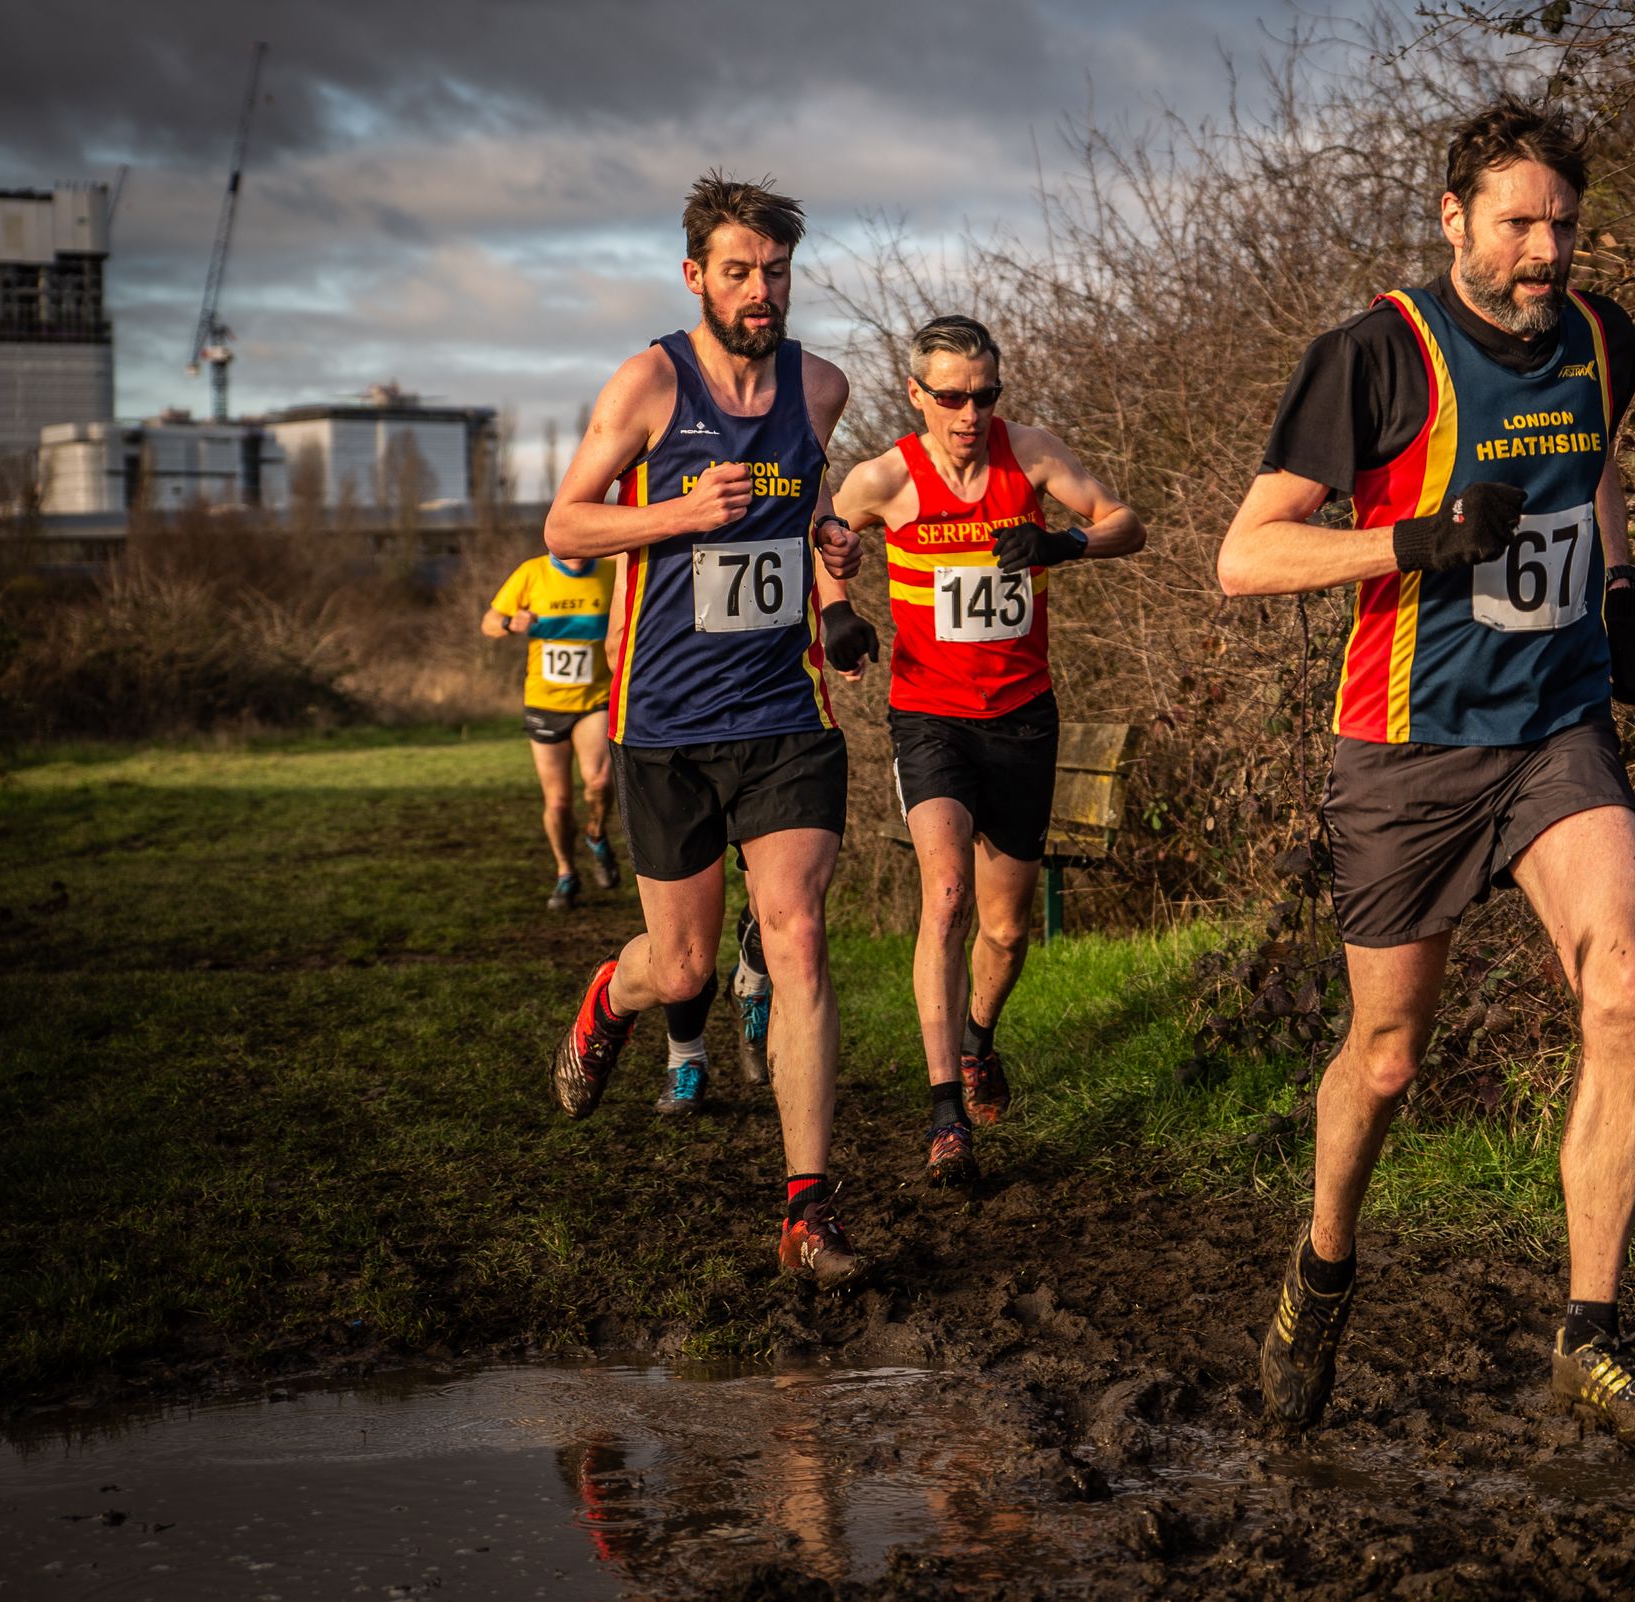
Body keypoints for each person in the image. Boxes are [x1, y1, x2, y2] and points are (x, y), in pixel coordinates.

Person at [1216, 99, 1635, 1439]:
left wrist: (1624, 588)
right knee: (1385, 1058)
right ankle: (1323, 1267)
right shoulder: (1372, 355)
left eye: (1564, 225)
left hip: (1555, 727)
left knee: (1630, 985)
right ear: (1453, 219)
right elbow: (1246, 555)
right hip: (1408, 747)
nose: (1546, 251)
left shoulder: (1601, 338)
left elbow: (1593, 464)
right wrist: (1413, 541)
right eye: (1519, 224)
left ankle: (1589, 1336)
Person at [540, 169, 879, 1285]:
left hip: (785, 714)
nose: (760, 290)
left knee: (796, 935)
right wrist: (678, 513)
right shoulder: (649, 383)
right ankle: (612, 993)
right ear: (696, 276)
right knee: (681, 967)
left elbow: (807, 505)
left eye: (775, 271)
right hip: (667, 721)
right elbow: (566, 527)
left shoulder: (820, 386)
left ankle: (807, 1211)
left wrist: (832, 547)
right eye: (738, 272)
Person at [830, 315, 1144, 1188]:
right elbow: (826, 537)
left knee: (1005, 930)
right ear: (916, 394)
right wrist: (838, 612)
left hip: (1021, 717)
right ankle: (945, 1115)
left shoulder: (1031, 456)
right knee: (946, 894)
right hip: (928, 717)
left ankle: (977, 1041)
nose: (971, 414)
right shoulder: (885, 477)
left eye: (986, 395)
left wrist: (1064, 543)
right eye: (952, 398)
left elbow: (1128, 523)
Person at [480, 551, 621, 909]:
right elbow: (489, 623)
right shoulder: (532, 572)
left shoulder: (611, 569)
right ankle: (565, 873)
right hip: (545, 703)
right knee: (557, 802)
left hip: (595, 699)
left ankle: (596, 834)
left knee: (599, 783)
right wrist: (510, 623)